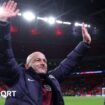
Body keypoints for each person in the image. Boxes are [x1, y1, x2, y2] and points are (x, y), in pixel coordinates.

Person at [0, 0, 91, 105]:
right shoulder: (18, 76)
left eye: (44, 61)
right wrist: (2, 23)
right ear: (27, 65)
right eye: (37, 60)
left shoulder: (51, 78)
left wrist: (85, 43)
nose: (43, 62)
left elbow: (68, 64)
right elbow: (4, 56)